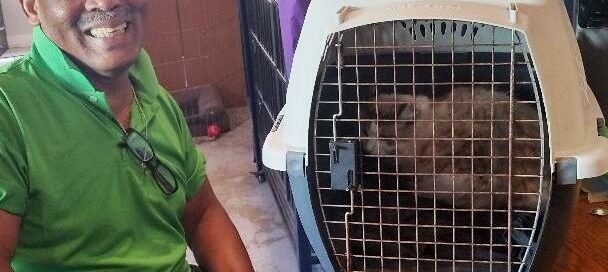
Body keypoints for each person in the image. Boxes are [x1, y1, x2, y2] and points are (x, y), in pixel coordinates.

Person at [0, 0, 254, 271]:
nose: (107, 2)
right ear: (31, 7)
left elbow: (203, 214)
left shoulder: (157, 99)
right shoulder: (10, 111)